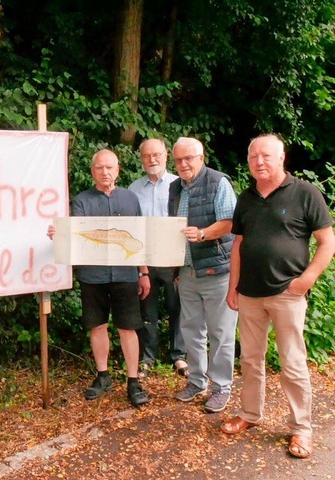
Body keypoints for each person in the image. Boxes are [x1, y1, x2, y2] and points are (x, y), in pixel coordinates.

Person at [220, 134, 335, 459]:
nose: (259, 161)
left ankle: (302, 428)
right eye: (253, 156)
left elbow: (328, 242)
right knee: (250, 360)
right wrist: (233, 288)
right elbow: (239, 245)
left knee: (293, 363)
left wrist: (307, 278)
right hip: (250, 295)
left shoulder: (305, 193)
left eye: (266, 156)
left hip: (288, 294)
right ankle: (250, 414)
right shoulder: (246, 197)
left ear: (281, 157)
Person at [47, 149, 150, 407]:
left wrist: (144, 272)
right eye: (100, 168)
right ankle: (103, 375)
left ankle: (133, 380)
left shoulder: (130, 199)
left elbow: (140, 240)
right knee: (98, 325)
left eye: (110, 167)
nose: (105, 172)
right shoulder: (82, 201)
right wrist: (58, 233)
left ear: (118, 170)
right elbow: (76, 234)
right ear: (93, 171)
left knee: (128, 327)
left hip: (126, 273)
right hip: (93, 274)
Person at [168, 137, 238, 413]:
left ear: (201, 157)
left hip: (217, 270)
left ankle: (222, 388)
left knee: (221, 332)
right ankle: (197, 381)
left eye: (189, 158)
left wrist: (203, 234)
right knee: (191, 330)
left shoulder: (218, 182)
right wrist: (175, 267)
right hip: (186, 271)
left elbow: (230, 222)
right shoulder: (175, 187)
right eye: (179, 160)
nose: (183, 164)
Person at [128, 138, 188, 378]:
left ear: (166, 156)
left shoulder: (180, 184)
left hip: (174, 261)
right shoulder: (133, 188)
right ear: (141, 159)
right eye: (146, 155)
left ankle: (179, 356)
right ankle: (148, 357)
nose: (152, 159)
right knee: (147, 312)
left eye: (157, 155)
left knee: (178, 308)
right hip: (145, 260)